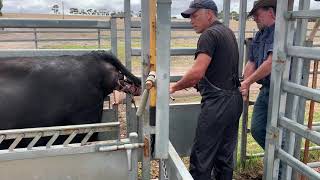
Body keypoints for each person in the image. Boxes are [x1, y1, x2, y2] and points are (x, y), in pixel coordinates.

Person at [170, 0, 242, 179]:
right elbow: (220, 68)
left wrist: (174, 87)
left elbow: (197, 72)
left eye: (195, 16)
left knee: (201, 158)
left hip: (217, 104)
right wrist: (200, 83)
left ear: (209, 14)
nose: (191, 21)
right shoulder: (227, 32)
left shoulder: (208, 35)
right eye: (190, 17)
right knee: (224, 158)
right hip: (234, 100)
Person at [240, 0, 276, 150]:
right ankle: (276, 159)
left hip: (283, 91)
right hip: (267, 88)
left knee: (281, 133)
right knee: (257, 129)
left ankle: (281, 169)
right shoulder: (259, 35)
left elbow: (271, 63)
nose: (254, 18)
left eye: (257, 14)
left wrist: (248, 82)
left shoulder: (280, 32)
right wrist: (244, 84)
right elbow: (252, 62)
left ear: (271, 12)